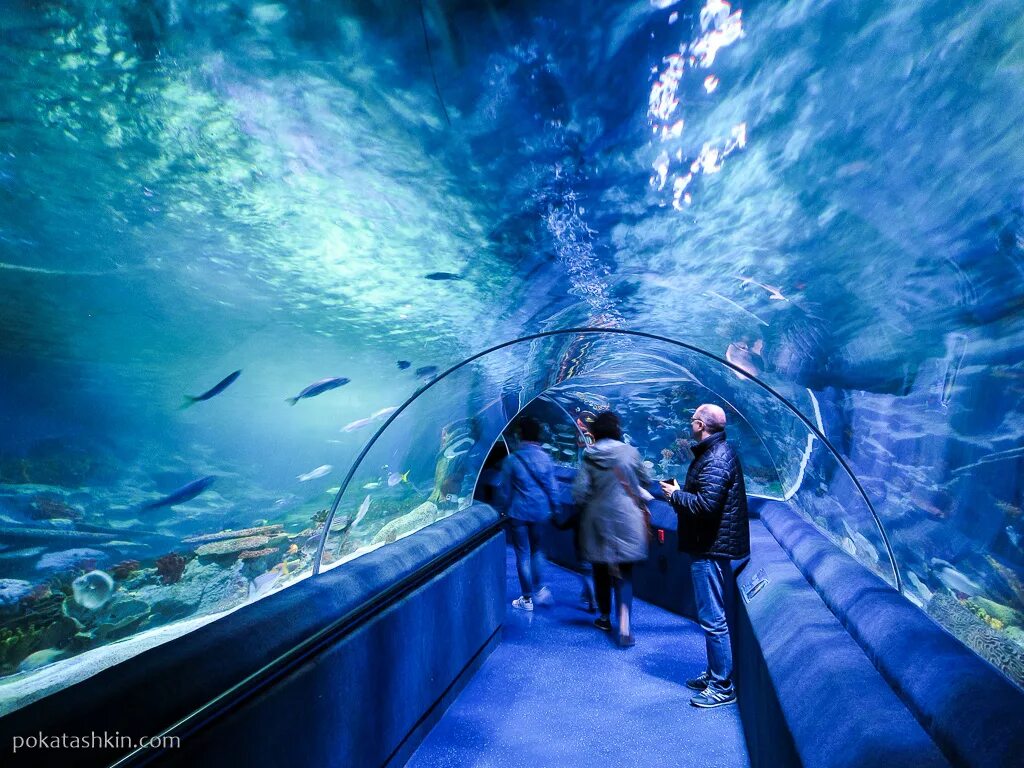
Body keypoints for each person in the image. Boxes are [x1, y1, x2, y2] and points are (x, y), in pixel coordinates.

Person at [661, 403, 750, 708]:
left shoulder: (715, 457)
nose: (690, 423)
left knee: (713, 619)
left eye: (692, 419)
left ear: (700, 425)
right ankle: (715, 672)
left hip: (710, 548)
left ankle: (722, 685)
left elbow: (706, 506)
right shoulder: (715, 452)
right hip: (709, 544)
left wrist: (674, 495)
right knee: (712, 617)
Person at [573, 410, 651, 648]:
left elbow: (579, 492)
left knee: (600, 571)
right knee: (625, 573)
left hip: (598, 522)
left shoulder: (589, 455)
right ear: (617, 430)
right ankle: (625, 624)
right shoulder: (631, 452)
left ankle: (605, 617)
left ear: (595, 431)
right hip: (627, 520)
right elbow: (645, 480)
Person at [499, 417, 557, 612]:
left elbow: (504, 490)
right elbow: (552, 487)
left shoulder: (512, 460)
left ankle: (527, 598)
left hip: (519, 513)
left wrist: (502, 510)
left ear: (519, 435)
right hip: (540, 512)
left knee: (522, 554)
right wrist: (556, 507)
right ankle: (539, 588)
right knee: (538, 551)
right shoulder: (545, 458)